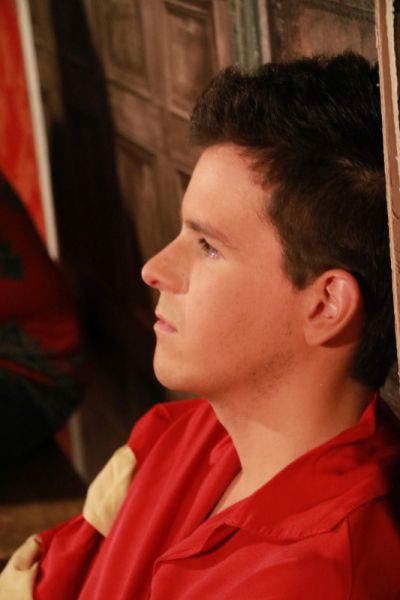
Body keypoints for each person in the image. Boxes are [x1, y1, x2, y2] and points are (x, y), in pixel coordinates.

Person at [1, 51, 400, 599]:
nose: (154, 268)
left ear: (325, 305)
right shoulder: (178, 436)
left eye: (208, 245)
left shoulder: (316, 576)